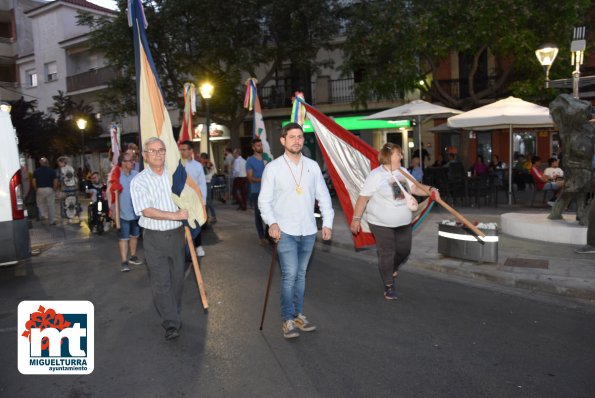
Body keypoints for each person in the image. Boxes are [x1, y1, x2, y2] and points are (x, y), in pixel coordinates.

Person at [258, 122, 334, 339]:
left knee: (301, 275)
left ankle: (298, 314)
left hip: (308, 230)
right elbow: (264, 201)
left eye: (300, 137)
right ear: (283, 140)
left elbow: (324, 196)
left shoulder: (312, 166)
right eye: (292, 137)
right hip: (285, 231)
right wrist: (271, 223)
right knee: (290, 274)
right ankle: (287, 319)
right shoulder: (273, 168)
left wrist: (327, 223)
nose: (297, 141)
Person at [350, 143, 440, 300]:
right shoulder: (376, 175)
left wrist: (430, 190)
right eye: (398, 154)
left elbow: (414, 188)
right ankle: (389, 285)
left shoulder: (403, 171)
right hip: (380, 222)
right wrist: (356, 218)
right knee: (387, 252)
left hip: (404, 220)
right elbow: (363, 197)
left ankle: (391, 267)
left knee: (404, 250)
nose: (402, 157)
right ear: (388, 156)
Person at [131, 137, 188, 341]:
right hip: (154, 237)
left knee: (178, 279)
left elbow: (189, 197)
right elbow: (146, 211)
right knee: (161, 281)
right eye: (152, 151)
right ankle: (171, 323)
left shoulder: (175, 176)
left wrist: (192, 211)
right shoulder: (139, 181)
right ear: (145, 156)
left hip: (177, 235)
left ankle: (173, 311)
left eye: (161, 150)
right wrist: (174, 215)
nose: (157, 154)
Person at [112, 152, 142, 272]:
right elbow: (112, 197)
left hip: (135, 213)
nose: (133, 162)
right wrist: (114, 213)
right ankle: (124, 261)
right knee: (124, 238)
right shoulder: (116, 177)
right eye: (130, 160)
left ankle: (133, 256)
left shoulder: (137, 175)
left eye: (133, 160)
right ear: (123, 163)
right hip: (123, 214)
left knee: (134, 236)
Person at [179, 141, 207, 257]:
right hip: (180, 201)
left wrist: (203, 202)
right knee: (182, 226)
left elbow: (202, 185)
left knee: (196, 224)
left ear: (191, 151)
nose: (182, 151)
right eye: (181, 149)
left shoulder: (197, 166)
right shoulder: (176, 164)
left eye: (185, 149)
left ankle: (198, 246)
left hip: (194, 201)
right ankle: (184, 249)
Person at [246, 138, 269, 245]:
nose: (261, 147)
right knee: (259, 215)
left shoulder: (267, 158)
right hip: (257, 191)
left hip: (269, 191)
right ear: (253, 147)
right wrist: (264, 179)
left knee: (270, 213)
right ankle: (261, 237)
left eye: (261, 145)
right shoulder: (250, 160)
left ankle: (269, 235)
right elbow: (250, 178)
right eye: (258, 145)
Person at [32, 157, 58, 224]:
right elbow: (55, 181)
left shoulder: (36, 171)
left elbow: (34, 181)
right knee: (51, 205)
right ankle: (52, 220)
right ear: (47, 163)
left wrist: (36, 189)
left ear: (40, 163)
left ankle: (43, 214)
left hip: (40, 189)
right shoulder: (52, 171)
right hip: (49, 189)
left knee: (40, 203)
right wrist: (54, 189)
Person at [58, 156, 79, 222]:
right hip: (73, 188)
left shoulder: (62, 170)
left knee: (66, 202)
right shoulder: (71, 168)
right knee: (74, 201)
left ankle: (68, 216)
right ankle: (76, 213)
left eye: (59, 163)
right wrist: (76, 185)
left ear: (63, 162)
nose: (59, 164)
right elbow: (75, 177)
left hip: (66, 188)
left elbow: (61, 179)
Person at [199, 152, 217, 223]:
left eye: (202, 158)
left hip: (207, 183)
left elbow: (209, 175)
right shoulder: (201, 165)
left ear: (204, 158)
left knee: (208, 201)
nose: (201, 160)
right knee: (205, 201)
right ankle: (206, 216)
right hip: (203, 184)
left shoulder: (209, 165)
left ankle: (213, 216)